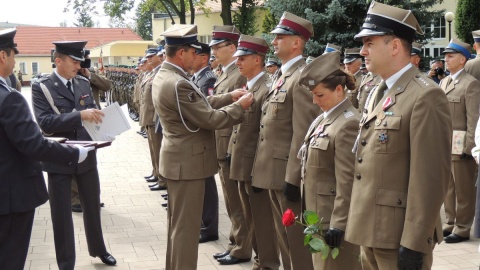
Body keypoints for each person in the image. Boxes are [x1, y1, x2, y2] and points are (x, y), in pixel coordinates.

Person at [344, 2, 451, 269]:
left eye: (369, 42)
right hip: (370, 227)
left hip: (398, 235)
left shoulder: (426, 95)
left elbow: (430, 178)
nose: (362, 51)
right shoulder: (377, 91)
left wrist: (415, 242)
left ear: (394, 47)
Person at [151, 24, 253, 270]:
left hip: (178, 161)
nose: (196, 57)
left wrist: (229, 97)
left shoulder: (166, 76)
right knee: (186, 230)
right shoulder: (178, 83)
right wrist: (241, 106)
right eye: (192, 52)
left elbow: (201, 103)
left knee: (178, 227)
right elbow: (210, 119)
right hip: (188, 163)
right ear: (181, 53)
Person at [0, 27, 92, 270]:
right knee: (10, 258)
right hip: (11, 197)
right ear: (2, 56)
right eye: (13, 55)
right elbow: (33, 144)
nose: (14, 61)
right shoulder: (9, 97)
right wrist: (75, 153)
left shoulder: (82, 82)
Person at [31, 40, 117, 269]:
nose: (78, 65)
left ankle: (99, 250)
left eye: (79, 61)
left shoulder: (82, 83)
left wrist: (106, 131)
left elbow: (93, 117)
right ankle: (66, 262)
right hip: (59, 156)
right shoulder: (42, 86)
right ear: (58, 60)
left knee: (92, 206)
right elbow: (45, 123)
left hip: (87, 154)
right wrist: (80, 115)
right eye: (73, 61)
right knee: (61, 216)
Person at [251, 11, 318, 270]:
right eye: (275, 37)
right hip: (272, 171)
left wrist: (293, 177)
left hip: (286, 174)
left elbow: (302, 132)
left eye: (281, 37)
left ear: (297, 43)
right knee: (284, 240)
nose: (274, 41)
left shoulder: (301, 77)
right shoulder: (281, 76)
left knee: (296, 244)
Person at [298, 51, 362, 270]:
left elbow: (348, 181)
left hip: (333, 222)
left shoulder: (348, 124)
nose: (315, 101)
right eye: (313, 95)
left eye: (320, 95)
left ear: (338, 90)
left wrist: (339, 223)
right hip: (319, 218)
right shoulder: (323, 119)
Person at [227, 34, 281, 268]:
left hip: (255, 166)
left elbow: (265, 134)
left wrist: (261, 169)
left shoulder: (266, 88)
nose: (237, 62)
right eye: (237, 58)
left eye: (243, 58)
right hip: (243, 162)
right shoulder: (249, 86)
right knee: (251, 218)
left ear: (257, 60)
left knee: (261, 219)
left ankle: (267, 263)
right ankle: (261, 259)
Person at [209, 25, 252, 264]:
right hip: (221, 143)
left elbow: (240, 116)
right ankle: (235, 242)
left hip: (230, 146)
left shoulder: (237, 74)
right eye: (213, 46)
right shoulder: (225, 72)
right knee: (230, 199)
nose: (214, 50)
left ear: (232, 48)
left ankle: (241, 247)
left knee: (237, 201)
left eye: (218, 46)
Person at [439, 39, 480, 244]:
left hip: (461, 144)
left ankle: (463, 228)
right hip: (445, 143)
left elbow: (473, 119)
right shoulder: (445, 82)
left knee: (463, 189)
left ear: (462, 59)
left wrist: (470, 147)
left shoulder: (470, 84)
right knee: (448, 186)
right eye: (446, 56)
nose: (446, 59)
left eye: (451, 55)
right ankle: (450, 222)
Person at [71, 51, 112, 212]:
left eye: (85, 61)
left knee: (90, 162)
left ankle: (91, 197)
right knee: (74, 161)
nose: (82, 65)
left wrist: (90, 75)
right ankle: (75, 199)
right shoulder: (70, 76)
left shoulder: (89, 76)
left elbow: (107, 86)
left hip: (93, 123)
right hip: (76, 121)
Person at [191, 42, 219, 243]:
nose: (191, 58)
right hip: (198, 137)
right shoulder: (196, 78)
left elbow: (210, 109)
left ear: (203, 58)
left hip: (208, 136)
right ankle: (204, 224)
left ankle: (209, 228)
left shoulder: (208, 78)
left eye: (195, 54)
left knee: (207, 185)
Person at [140, 46, 167, 191]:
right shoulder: (152, 73)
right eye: (148, 57)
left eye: (151, 57)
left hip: (155, 117)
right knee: (153, 149)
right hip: (149, 116)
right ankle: (156, 172)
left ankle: (162, 179)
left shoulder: (159, 73)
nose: (149, 59)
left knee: (158, 149)